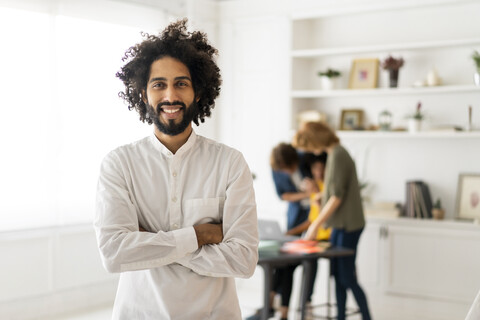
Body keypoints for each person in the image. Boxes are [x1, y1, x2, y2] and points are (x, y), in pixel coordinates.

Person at [94, 19, 258, 320]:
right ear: (143, 94)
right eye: (159, 84)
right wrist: (200, 234)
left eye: (181, 83)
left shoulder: (230, 163)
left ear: (197, 92)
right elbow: (114, 253)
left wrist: (149, 243)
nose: (170, 96)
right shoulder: (119, 164)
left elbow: (243, 260)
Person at [292, 121, 372, 320]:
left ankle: (367, 317)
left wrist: (315, 226)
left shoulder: (337, 155)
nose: (310, 150)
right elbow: (334, 193)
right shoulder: (335, 153)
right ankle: (340, 316)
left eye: (309, 144)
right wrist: (321, 196)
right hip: (339, 225)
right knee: (337, 276)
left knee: (347, 277)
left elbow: (337, 197)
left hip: (348, 224)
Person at [246, 143, 315, 320]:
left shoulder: (307, 159)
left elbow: (317, 207)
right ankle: (279, 310)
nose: (286, 173)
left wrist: (313, 194)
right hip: (297, 216)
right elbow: (283, 195)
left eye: (289, 168)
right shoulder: (276, 168)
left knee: (288, 263)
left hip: (312, 220)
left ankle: (271, 306)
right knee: (286, 264)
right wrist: (307, 195)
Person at [286, 152, 331, 242]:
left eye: (322, 168)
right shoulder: (314, 187)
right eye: (315, 168)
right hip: (315, 238)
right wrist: (289, 233)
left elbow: (326, 220)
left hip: (327, 238)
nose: (319, 172)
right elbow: (311, 220)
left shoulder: (330, 188)